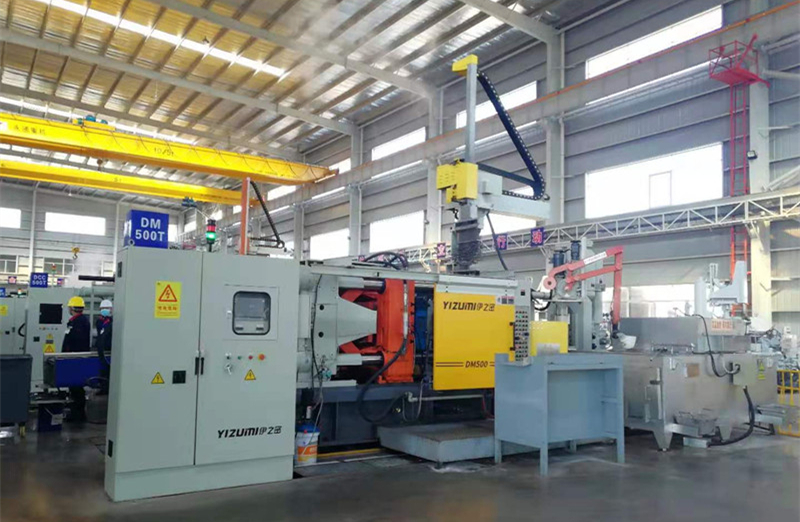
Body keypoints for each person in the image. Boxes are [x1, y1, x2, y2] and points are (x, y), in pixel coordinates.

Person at [62, 295, 91, 422]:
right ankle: (76, 413)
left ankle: (78, 415)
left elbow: (76, 341)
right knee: (74, 387)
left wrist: (69, 355)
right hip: (73, 358)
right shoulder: (77, 321)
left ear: (72, 308)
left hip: (75, 359)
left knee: (76, 387)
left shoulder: (79, 322)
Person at [95, 299, 113, 395]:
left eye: (107, 308)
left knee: (108, 371)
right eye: (102, 308)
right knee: (102, 370)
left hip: (109, 351)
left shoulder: (113, 322)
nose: (104, 310)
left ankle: (107, 389)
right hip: (101, 351)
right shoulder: (100, 322)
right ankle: (103, 387)